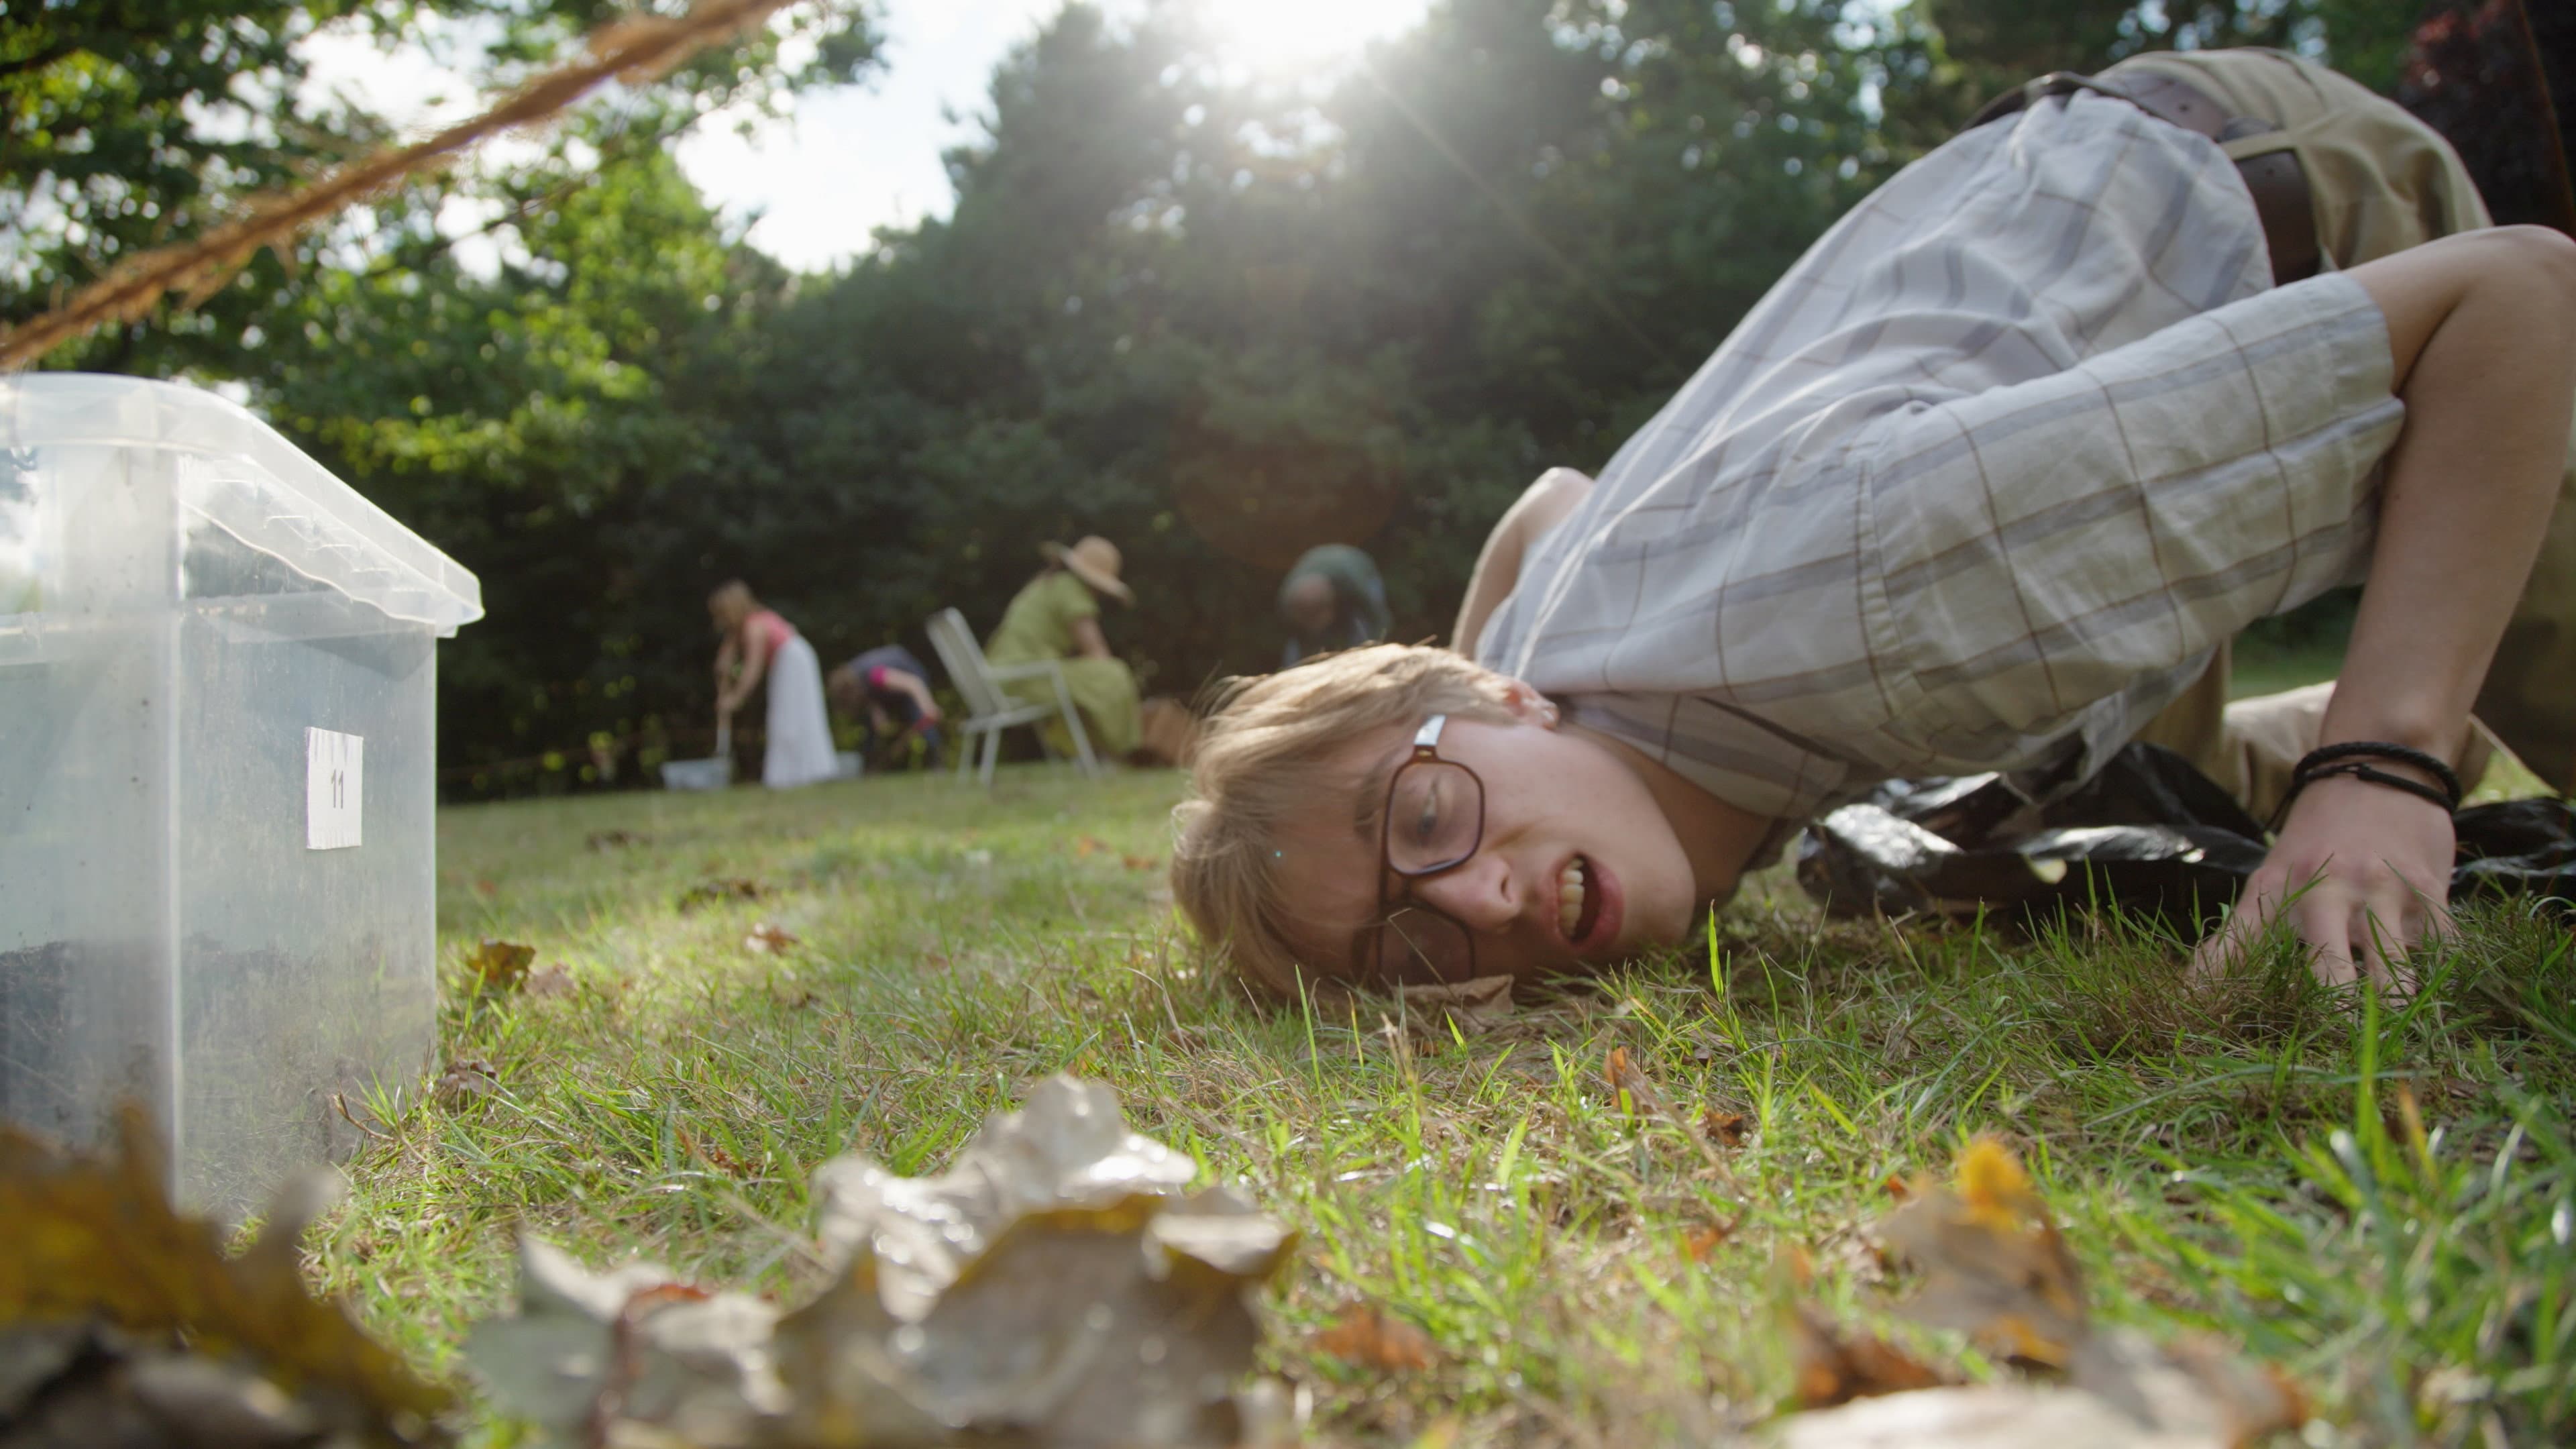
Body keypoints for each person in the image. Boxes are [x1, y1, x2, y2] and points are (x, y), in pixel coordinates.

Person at [1170, 48, 2576, 1000]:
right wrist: (1465, 705)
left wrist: (2382, 774)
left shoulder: (1897, 599)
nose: (1475, 904)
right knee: (2140, 807)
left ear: (1492, 701)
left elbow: (2511, 301)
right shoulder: (1541, 685)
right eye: (1407, 954)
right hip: (2067, 233)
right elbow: (1553, 506)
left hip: (2308, 207)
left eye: (1424, 816)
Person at [985, 536, 1144, 759]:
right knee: (1114, 674)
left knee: (1091, 680)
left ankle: (1095, 752)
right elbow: (1097, 651)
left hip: (1006, 675)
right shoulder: (1070, 589)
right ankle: (1125, 750)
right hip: (1024, 677)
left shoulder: (1050, 583)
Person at [709, 580, 841, 789]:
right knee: (784, 716)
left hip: (793, 662)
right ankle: (793, 775)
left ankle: (794, 775)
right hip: (790, 661)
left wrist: (734, 699)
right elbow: (726, 659)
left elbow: (752, 670)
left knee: (788, 717)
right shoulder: (740, 630)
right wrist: (724, 664)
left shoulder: (754, 626)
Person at [828, 645, 947, 771]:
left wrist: (928, 707)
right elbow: (868, 695)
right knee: (869, 725)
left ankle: (936, 763)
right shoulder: (854, 676)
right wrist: (876, 712)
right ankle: (869, 764)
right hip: (892, 689)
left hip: (911, 681)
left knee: (919, 715)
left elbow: (913, 684)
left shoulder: (875, 674)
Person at [1279, 543, 1394, 668]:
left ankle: (1366, 662)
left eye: (1317, 616)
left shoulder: (1353, 585)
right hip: (1323, 569)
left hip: (1359, 566)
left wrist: (1380, 644)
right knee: (1295, 644)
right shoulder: (1287, 599)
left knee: (1363, 626)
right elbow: (1293, 634)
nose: (1315, 625)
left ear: (1331, 605)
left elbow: (1378, 616)